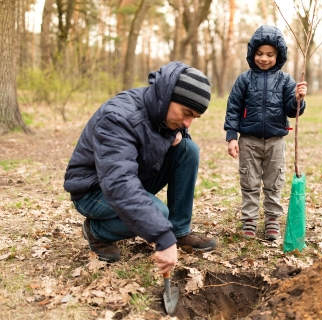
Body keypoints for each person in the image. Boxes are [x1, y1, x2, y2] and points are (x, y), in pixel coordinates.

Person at [64, 61, 217, 274]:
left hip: (134, 176)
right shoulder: (118, 118)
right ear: (168, 97)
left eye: (194, 117)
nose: (188, 122)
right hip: (93, 189)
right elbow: (120, 184)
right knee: (158, 214)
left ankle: (179, 231)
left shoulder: (163, 113)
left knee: (187, 149)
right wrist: (161, 235)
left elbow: (171, 135)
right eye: (186, 112)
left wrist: (179, 134)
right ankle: (97, 231)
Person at [224, 25, 307, 241]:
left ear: (278, 55)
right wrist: (232, 136)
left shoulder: (285, 81)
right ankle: (249, 221)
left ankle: (272, 220)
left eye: (270, 54)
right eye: (259, 53)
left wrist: (298, 99)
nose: (264, 58)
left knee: (274, 182)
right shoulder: (244, 80)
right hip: (249, 141)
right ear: (252, 54)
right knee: (249, 182)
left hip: (276, 141)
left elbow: (292, 111)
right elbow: (233, 107)